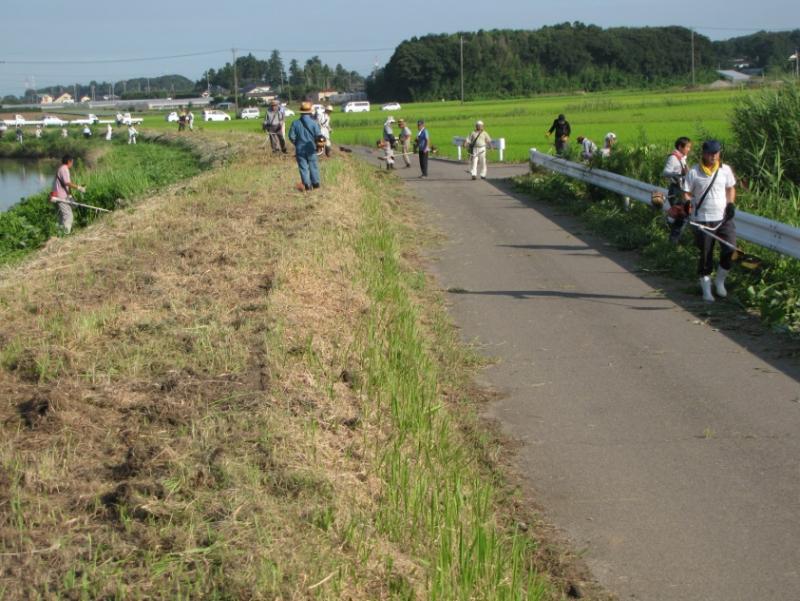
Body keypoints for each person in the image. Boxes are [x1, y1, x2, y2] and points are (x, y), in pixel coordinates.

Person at [682, 140, 737, 302]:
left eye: (716, 153)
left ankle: (720, 281)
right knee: (706, 254)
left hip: (723, 218)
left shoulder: (725, 170)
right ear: (703, 153)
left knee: (730, 248)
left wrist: (731, 203)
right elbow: (686, 192)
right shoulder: (694, 172)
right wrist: (687, 203)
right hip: (702, 220)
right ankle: (706, 290)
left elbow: (730, 188)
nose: (713, 156)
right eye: (710, 153)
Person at [662, 136, 692, 244]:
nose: (689, 149)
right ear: (680, 146)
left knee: (682, 215)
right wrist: (678, 175)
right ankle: (673, 240)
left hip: (682, 191)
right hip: (675, 191)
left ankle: (671, 231)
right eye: (687, 147)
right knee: (681, 214)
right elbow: (665, 172)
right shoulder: (673, 158)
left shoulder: (682, 158)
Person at [288, 101, 322, 191]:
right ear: (310, 112)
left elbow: (291, 136)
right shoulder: (314, 123)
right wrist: (318, 146)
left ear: (301, 112)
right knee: (313, 166)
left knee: (303, 167)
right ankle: (316, 184)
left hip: (300, 148)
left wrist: (297, 143)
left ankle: (307, 185)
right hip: (311, 147)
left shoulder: (295, 123)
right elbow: (319, 137)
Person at [49, 154, 86, 235]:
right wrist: (79, 188)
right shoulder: (64, 169)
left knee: (62, 217)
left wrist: (69, 195)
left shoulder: (61, 168)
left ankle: (60, 234)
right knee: (68, 216)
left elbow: (64, 185)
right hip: (60, 197)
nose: (72, 164)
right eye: (72, 162)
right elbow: (67, 183)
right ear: (69, 161)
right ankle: (66, 235)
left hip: (60, 196)